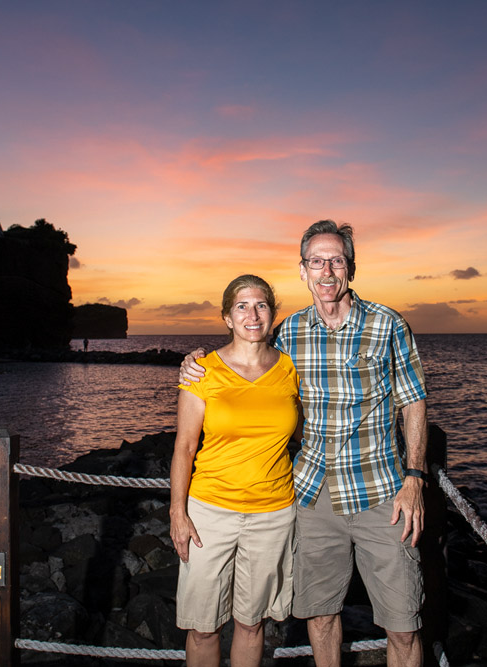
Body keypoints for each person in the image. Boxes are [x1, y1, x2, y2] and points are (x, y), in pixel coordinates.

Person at [180, 220, 429, 667]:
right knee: (320, 615)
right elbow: (245, 351)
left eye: (336, 260)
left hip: (381, 491)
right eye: (316, 261)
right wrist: (192, 361)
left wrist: (415, 478)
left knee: (403, 624)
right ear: (303, 271)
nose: (326, 271)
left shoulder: (388, 324)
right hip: (313, 496)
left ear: (350, 267)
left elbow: (414, 403)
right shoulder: (289, 333)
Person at [170, 274, 301, 667]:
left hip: (274, 514)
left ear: (273, 314)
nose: (252, 314)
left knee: (252, 623)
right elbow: (184, 448)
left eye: (261, 304)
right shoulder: (201, 372)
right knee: (203, 627)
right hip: (209, 513)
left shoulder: (291, 369)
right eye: (242, 306)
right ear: (227, 317)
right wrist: (178, 512)